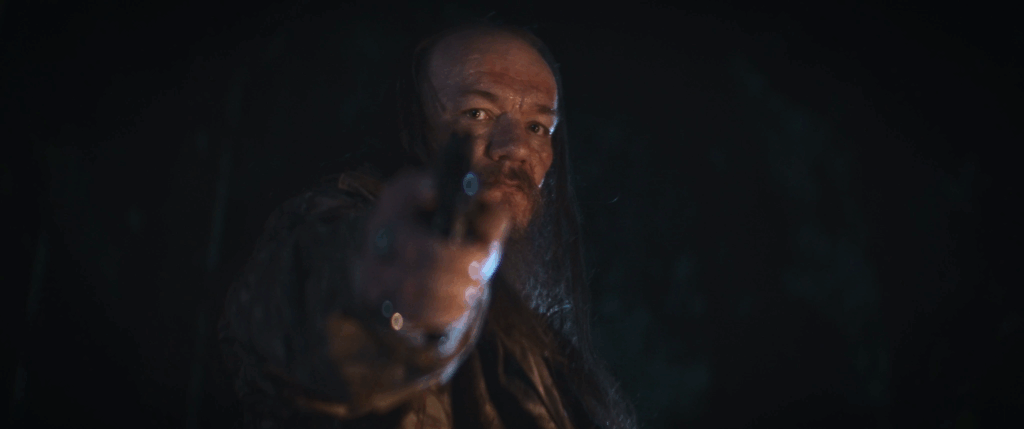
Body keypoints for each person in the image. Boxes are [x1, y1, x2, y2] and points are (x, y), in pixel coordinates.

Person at [219, 20, 637, 429]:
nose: (515, 148)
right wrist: (383, 288)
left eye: (537, 127)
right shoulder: (338, 226)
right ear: (412, 122)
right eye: (477, 112)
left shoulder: (538, 334)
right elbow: (301, 301)